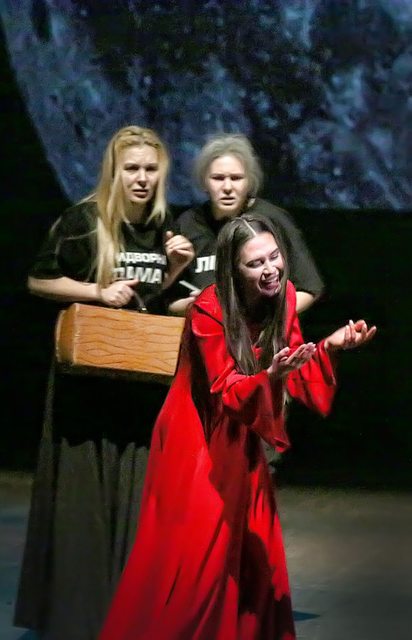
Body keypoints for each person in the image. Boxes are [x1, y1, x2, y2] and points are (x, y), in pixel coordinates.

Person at [99, 214, 376, 640]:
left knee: (248, 551)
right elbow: (225, 388)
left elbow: (293, 365)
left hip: (239, 435)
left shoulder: (283, 296)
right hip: (196, 437)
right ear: (233, 269)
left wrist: (329, 346)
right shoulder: (208, 310)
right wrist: (271, 376)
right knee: (197, 560)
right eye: (255, 263)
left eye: (274, 256)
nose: (270, 269)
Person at [14, 125, 194, 640]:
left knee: (139, 494)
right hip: (88, 382)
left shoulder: (166, 229)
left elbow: (153, 304)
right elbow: (38, 279)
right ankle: (80, 613)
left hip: (141, 381)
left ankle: (130, 607)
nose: (141, 178)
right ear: (113, 171)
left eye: (150, 169)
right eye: (131, 168)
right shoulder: (83, 220)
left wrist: (175, 270)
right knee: (85, 496)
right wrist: (98, 291)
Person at [170, 133, 324, 315]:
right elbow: (168, 301)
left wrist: (267, 321)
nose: (227, 187)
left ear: (249, 182)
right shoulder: (188, 224)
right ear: (204, 182)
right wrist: (195, 305)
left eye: (236, 178)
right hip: (205, 327)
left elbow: (309, 287)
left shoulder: (272, 219)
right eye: (218, 178)